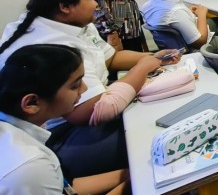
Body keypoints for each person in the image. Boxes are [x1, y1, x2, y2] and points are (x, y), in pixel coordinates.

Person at [0, 0, 179, 179]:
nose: (96, 5)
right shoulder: (53, 45)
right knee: (157, 137)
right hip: (59, 137)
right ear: (65, 7)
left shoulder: (77, 25)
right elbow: (91, 111)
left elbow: (111, 58)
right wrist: (142, 68)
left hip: (82, 115)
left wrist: (152, 57)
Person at [0, 45, 129, 194]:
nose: (84, 89)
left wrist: (130, 175)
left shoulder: (20, 128)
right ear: (31, 103)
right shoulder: (29, 166)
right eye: (75, 86)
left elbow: (63, 187)